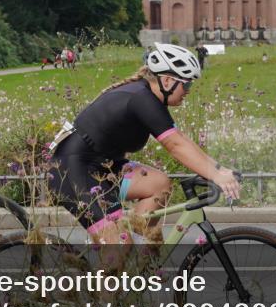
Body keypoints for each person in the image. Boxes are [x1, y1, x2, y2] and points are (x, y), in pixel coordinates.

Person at [46, 42, 241, 249]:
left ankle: (138, 261)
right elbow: (175, 145)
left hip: (103, 168)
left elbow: (182, 140)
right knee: (119, 252)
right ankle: (119, 262)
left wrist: (219, 169)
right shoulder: (142, 98)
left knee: (159, 184)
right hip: (73, 172)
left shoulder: (147, 97)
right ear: (167, 80)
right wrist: (216, 176)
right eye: (186, 84)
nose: (188, 91)